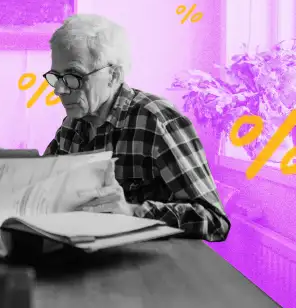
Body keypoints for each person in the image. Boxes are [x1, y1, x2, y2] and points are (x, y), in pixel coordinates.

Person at [42, 14, 230, 242]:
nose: (59, 90)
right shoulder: (72, 124)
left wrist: (132, 212)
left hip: (153, 266)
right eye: (56, 77)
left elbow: (214, 220)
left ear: (113, 75)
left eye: (73, 76)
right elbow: (45, 188)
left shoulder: (157, 120)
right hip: (89, 255)